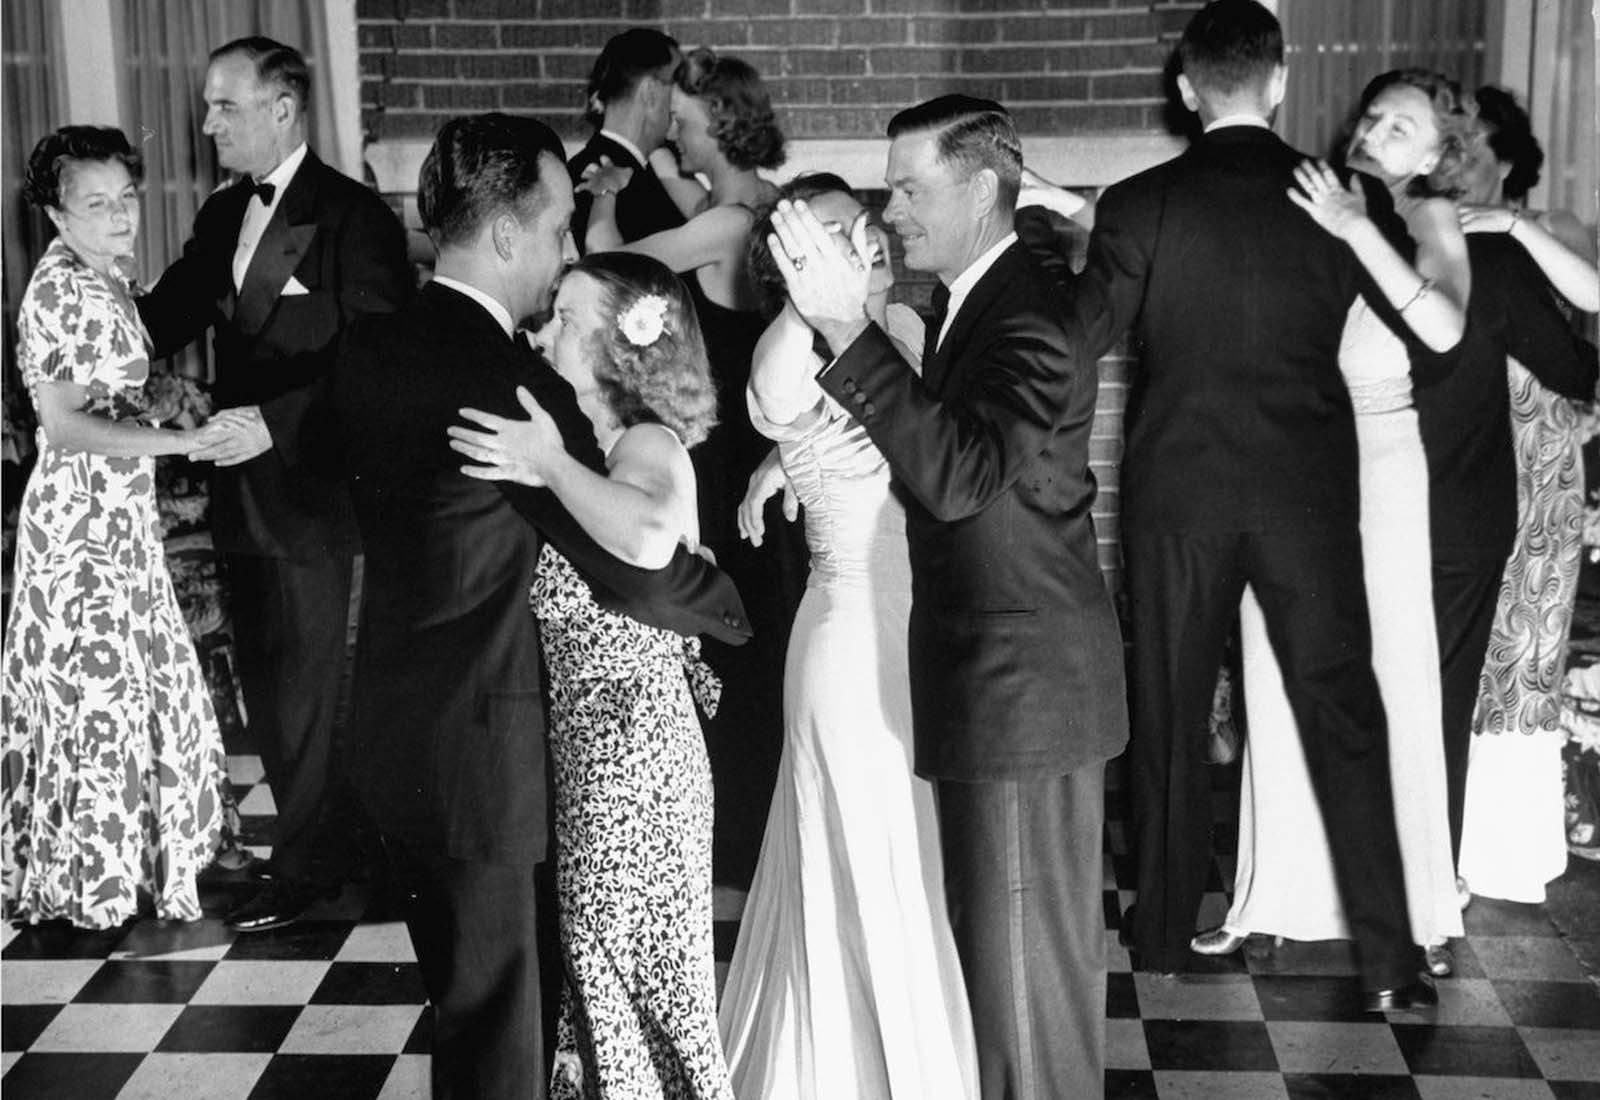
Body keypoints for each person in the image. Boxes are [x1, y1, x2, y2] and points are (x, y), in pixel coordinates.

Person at [332, 112, 749, 1100]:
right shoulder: (522, 391)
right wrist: (727, 606)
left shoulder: (366, 350)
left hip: (401, 738)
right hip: (493, 762)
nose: (567, 247)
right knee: (512, 1033)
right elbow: (641, 573)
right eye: (563, 227)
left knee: (490, 1011)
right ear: (510, 233)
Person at [1063, 0, 1430, 1009]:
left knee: (1170, 710)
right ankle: (1393, 960)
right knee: (1343, 714)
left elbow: (1078, 342)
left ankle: (1168, 931)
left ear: (1186, 88)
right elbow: (1413, 321)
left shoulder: (1139, 205)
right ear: (1278, 79)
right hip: (1306, 494)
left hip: (1175, 493)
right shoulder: (1339, 196)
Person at [768, 95, 1128, 1100]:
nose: (892, 210)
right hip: (1002, 686)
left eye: (911, 186)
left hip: (1023, 692)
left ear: (980, 188)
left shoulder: (1029, 313)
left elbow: (959, 475)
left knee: (1020, 1003)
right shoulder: (989, 296)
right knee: (1004, 984)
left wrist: (845, 326)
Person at [1199, 66, 1478, 977]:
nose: (1375, 132)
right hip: (1285, 456)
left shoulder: (1429, 221)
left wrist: (1359, 228)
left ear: (1438, 153)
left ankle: (1417, 913)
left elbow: (1442, 330)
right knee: (1275, 673)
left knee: (1390, 679)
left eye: (1402, 127)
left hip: (1382, 466)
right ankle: (1271, 896)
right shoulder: (1303, 194)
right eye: (1372, 116)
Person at [136, 35, 412, 932]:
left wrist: (275, 421)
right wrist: (81, 306)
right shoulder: (223, 216)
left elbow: (377, 360)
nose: (207, 124)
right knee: (270, 681)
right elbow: (167, 312)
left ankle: (328, 875)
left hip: (317, 492)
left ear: (283, 109)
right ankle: (307, 859)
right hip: (239, 491)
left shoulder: (354, 219)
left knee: (315, 689)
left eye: (225, 106)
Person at [717, 173, 979, 1100]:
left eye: (855, 227)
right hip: (849, 636)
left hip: (925, 633)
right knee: (862, 856)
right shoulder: (781, 347)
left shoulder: (903, 331)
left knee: (913, 855)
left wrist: (773, 465)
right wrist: (779, 442)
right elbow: (782, 397)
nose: (858, 240)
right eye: (822, 237)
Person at [446, 251, 731, 1100]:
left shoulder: (644, 440)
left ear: (621, 343)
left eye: (566, 317)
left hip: (635, 748)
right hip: (595, 742)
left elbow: (646, 538)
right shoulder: (596, 444)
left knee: (631, 981)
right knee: (606, 981)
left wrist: (549, 465)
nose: (543, 329)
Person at [583, 46, 803, 888]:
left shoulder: (725, 223)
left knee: (733, 643)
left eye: (683, 118)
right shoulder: (748, 203)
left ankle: (739, 836)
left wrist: (603, 210)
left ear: (720, 124)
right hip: (749, 444)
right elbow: (685, 195)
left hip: (726, 456)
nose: (671, 127)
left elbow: (616, 268)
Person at [1, 126, 231, 930]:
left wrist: (170, 404)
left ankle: (124, 868)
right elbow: (62, 426)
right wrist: (178, 442)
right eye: (95, 204)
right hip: (79, 526)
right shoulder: (60, 288)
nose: (119, 215)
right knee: (99, 700)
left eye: (126, 197)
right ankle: (90, 881)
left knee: (134, 691)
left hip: (119, 519)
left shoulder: (104, 277)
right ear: (56, 216)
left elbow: (110, 391)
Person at [1457, 85, 1600, 903]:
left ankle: (1504, 850)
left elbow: (1587, 305)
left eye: (1472, 144)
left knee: (1527, 641)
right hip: (1472, 443)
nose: (1458, 161)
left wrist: (1510, 226)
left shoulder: (1549, 229)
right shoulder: (1432, 231)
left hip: (1542, 452)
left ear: (1506, 158)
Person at [568, 29, 687, 252]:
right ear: (651, 92)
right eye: (678, 84)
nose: (685, 98)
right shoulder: (591, 176)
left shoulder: (658, 168)